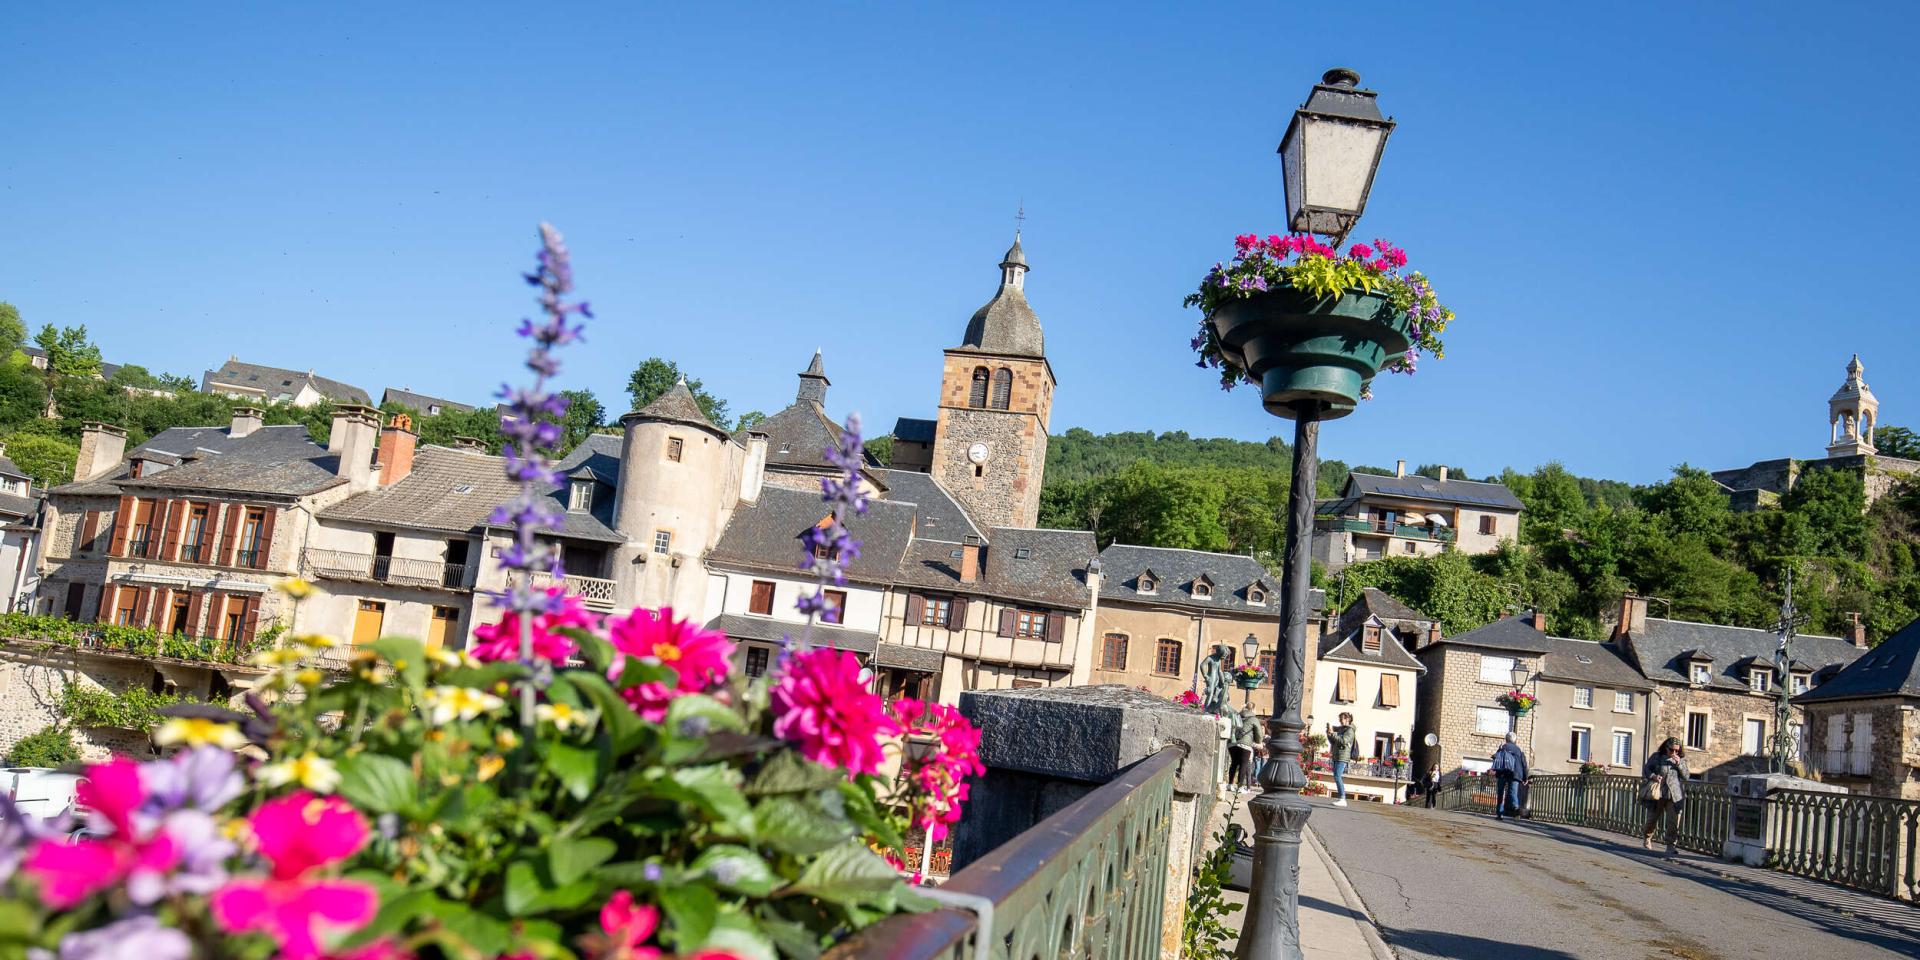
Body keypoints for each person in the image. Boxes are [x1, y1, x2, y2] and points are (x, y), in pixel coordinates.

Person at [1641, 736, 1689, 854]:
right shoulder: (1656, 757)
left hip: (1674, 794)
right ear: (1665, 748)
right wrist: (1653, 776)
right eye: (1671, 750)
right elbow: (1647, 769)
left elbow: (1686, 776)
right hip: (1658, 793)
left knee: (1673, 821)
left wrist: (1679, 765)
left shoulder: (1681, 760)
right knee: (1652, 819)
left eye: (1676, 750)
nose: (1674, 752)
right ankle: (1647, 837)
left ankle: (1670, 845)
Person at [1491, 732, 1529, 820]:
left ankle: (1499, 814)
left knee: (1500, 793)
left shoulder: (1502, 747)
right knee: (1513, 793)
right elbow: (1524, 764)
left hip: (1502, 773)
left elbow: (1496, 758)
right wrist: (1525, 778)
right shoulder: (1519, 749)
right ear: (1515, 740)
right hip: (1515, 774)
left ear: (1506, 739)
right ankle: (1516, 811)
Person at [1326, 713, 1357, 806]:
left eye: (1341, 719)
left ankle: (1342, 798)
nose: (1340, 720)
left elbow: (1344, 741)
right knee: (1336, 776)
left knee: (1337, 776)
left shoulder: (1350, 730)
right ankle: (1341, 798)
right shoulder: (1342, 729)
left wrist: (1333, 734)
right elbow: (1334, 742)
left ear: (1347, 719)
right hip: (1337, 755)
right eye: (1339, 719)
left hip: (1343, 756)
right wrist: (1329, 734)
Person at [1232, 711, 1263, 791]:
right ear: (1252, 710)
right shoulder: (1253, 719)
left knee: (1234, 764)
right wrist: (1258, 741)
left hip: (1234, 741)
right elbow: (1259, 734)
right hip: (1246, 744)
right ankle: (1240, 786)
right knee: (1244, 765)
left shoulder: (1238, 715)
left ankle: (1230, 784)